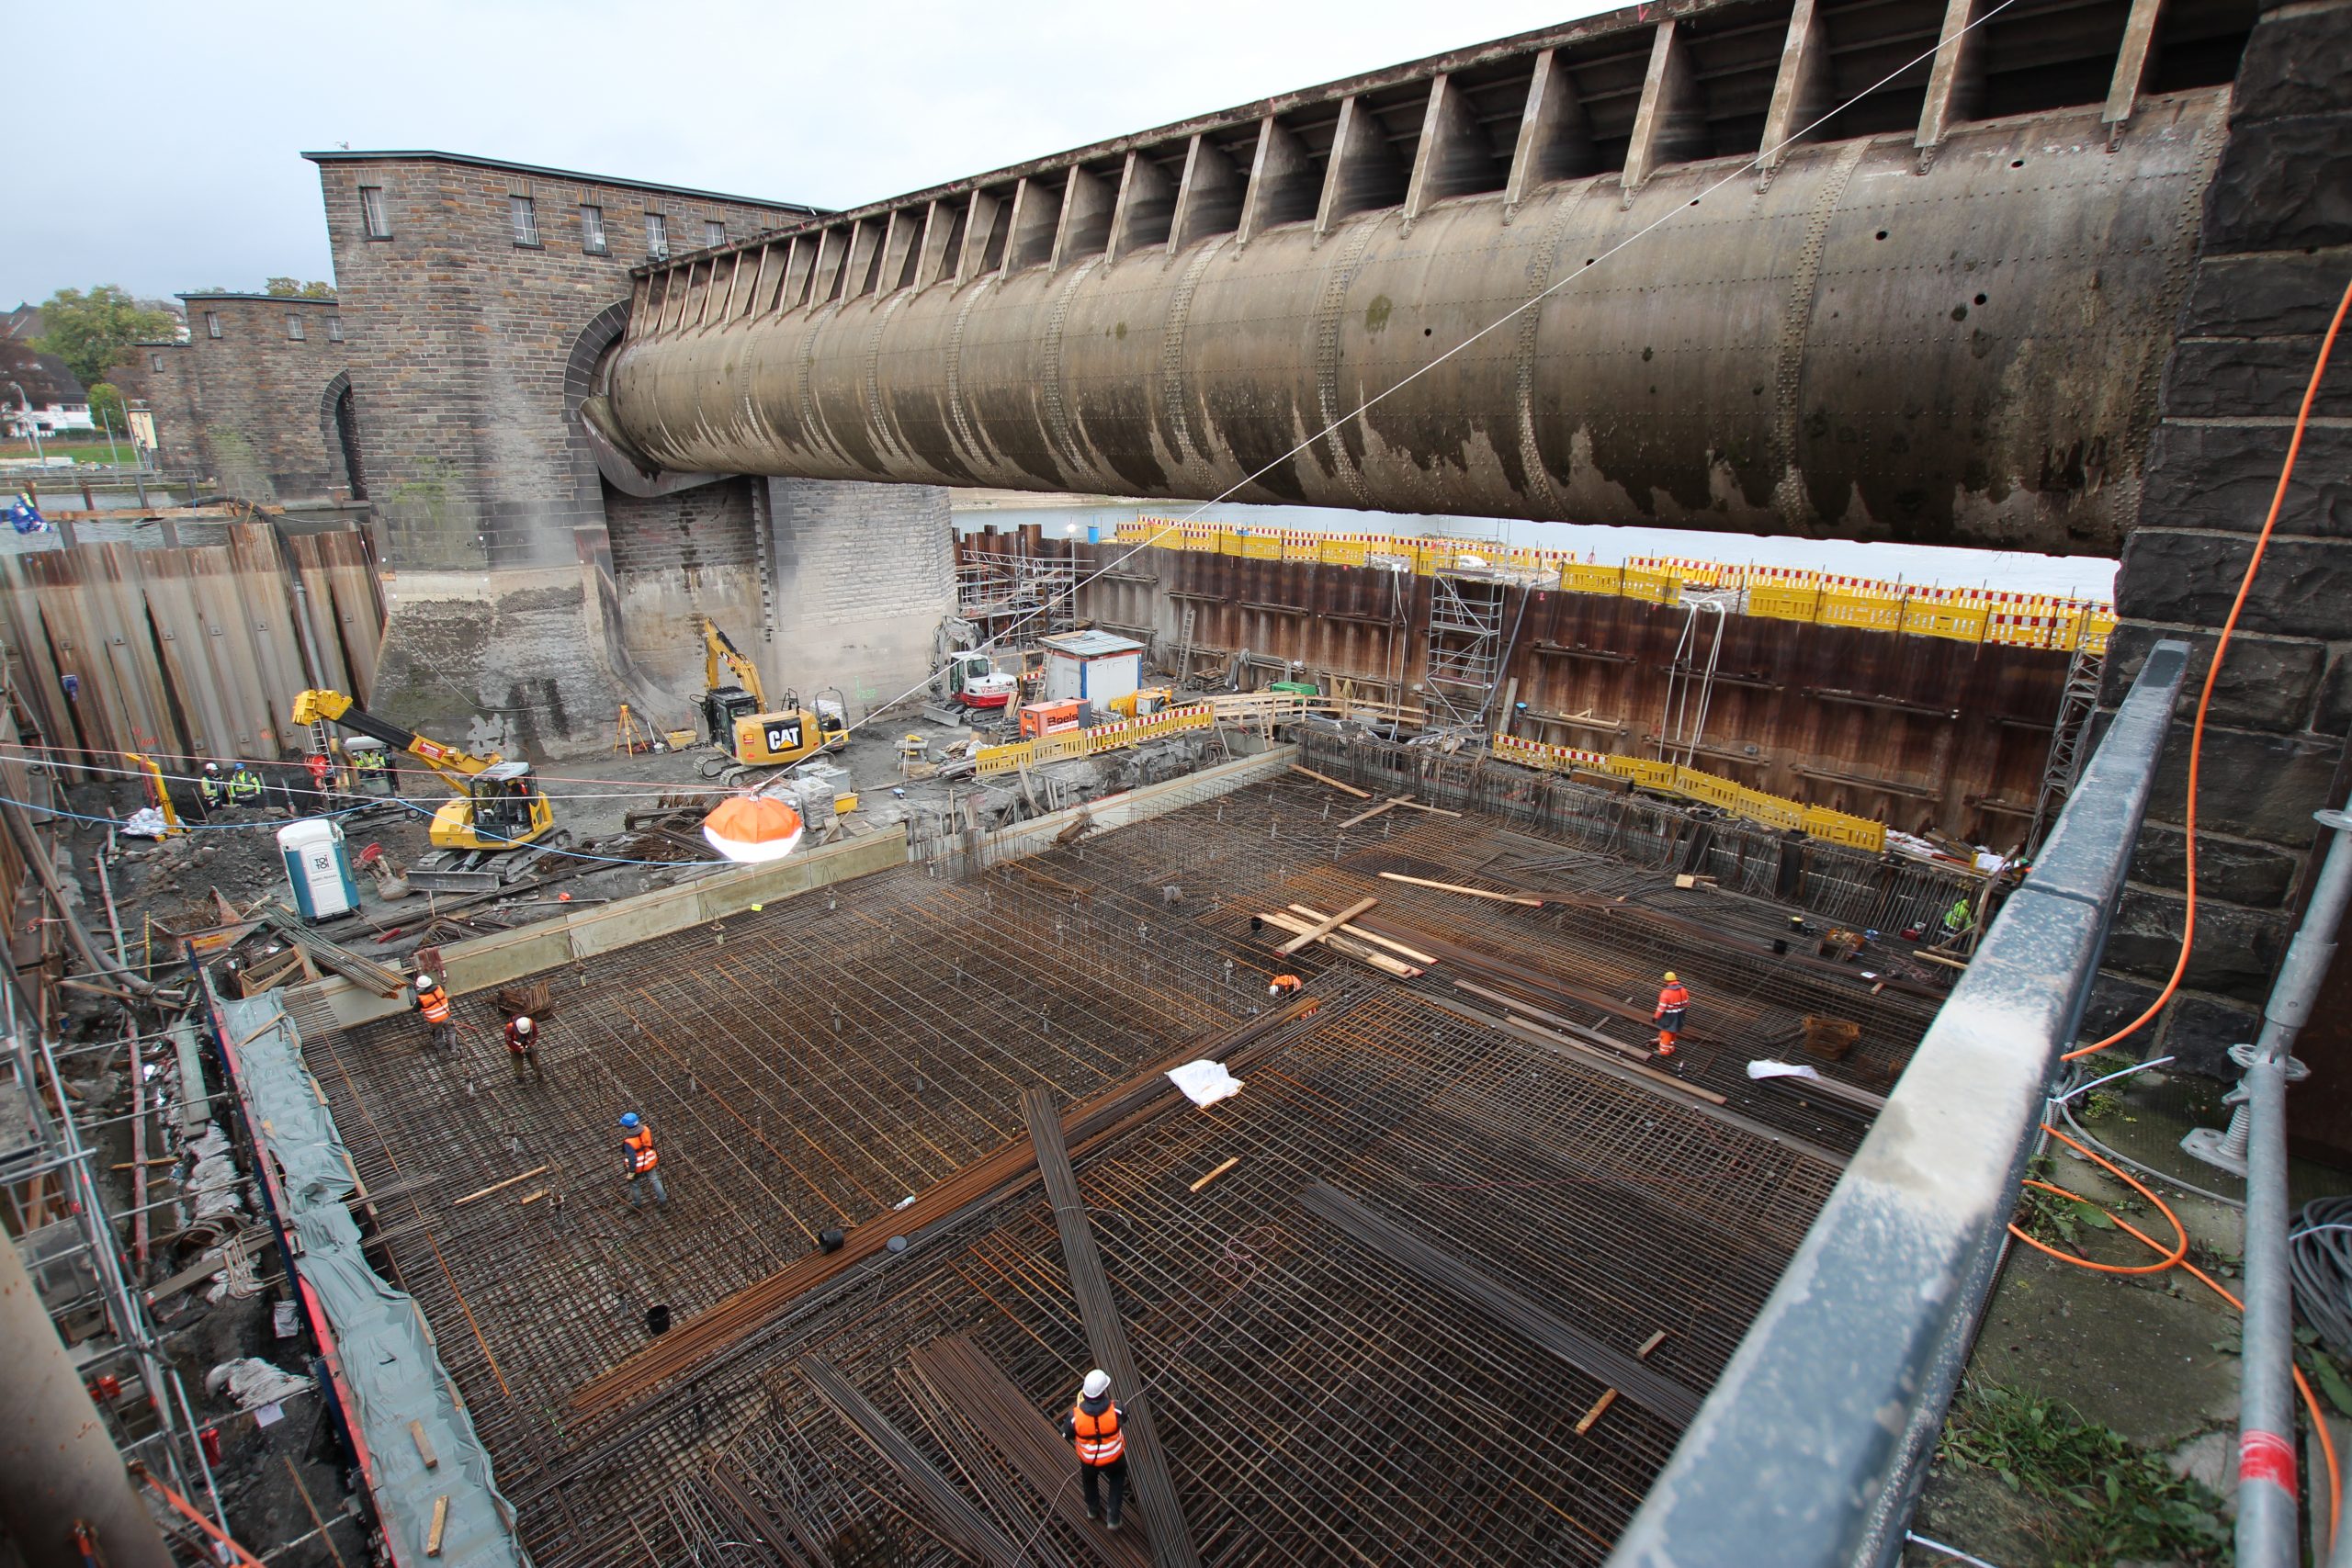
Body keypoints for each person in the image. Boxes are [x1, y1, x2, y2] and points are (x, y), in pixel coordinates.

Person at [1058, 1368, 1127, 1530]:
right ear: (1104, 1390)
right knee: (1117, 1481)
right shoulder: (1116, 1409)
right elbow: (1125, 1418)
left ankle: (1092, 1509)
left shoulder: (1075, 1416)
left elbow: (1065, 1434)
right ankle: (1113, 1518)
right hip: (1114, 1459)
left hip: (1089, 1460)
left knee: (1089, 1481)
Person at [619, 1112, 667, 1210]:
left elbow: (632, 1160)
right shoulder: (646, 1130)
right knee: (655, 1181)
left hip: (637, 1168)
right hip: (650, 1162)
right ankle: (663, 1202)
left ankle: (636, 1204)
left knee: (635, 1185)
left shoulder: (629, 1142)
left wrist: (631, 1173)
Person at [413, 974, 456, 1053]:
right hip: (447, 1016)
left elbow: (415, 1009)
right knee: (451, 1032)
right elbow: (441, 989)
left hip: (435, 1021)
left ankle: (442, 1052)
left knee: (438, 1035)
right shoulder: (439, 987)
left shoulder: (421, 998)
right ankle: (454, 1050)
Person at [1654, 971, 1690, 1056]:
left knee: (1666, 1032)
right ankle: (1670, 1047)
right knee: (1673, 1031)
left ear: (1666, 981)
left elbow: (1661, 1008)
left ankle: (1664, 1051)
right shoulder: (1683, 990)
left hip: (1669, 1016)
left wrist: (1656, 1017)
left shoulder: (1666, 992)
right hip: (1680, 1014)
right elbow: (1687, 1003)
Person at [503, 1014, 544, 1081]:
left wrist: (530, 1043)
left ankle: (540, 1076)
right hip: (515, 1046)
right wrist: (519, 1049)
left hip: (527, 1044)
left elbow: (535, 1034)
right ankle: (521, 1080)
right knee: (518, 1064)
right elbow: (509, 1041)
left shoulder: (531, 1023)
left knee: (535, 1061)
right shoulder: (510, 1028)